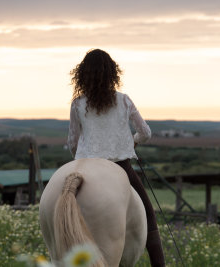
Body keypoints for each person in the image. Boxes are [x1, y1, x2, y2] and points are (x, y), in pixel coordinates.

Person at [67, 48, 165, 267]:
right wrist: (133, 141)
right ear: (112, 73)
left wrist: (82, 159)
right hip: (120, 166)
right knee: (149, 216)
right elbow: (146, 133)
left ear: (82, 75)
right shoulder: (123, 101)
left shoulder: (77, 104)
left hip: (84, 166)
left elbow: (72, 142)